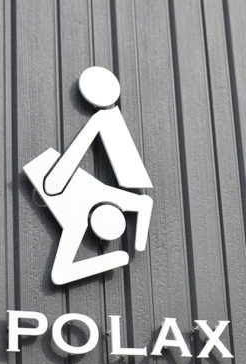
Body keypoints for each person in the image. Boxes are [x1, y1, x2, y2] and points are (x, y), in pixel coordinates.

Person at [23, 67, 153, 285]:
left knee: (55, 183)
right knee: (55, 183)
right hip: (52, 174)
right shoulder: (104, 201)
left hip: (53, 176)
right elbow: (145, 203)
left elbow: (60, 274)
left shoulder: (80, 218)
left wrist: (119, 256)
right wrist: (129, 249)